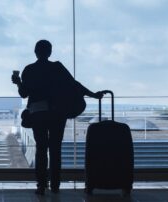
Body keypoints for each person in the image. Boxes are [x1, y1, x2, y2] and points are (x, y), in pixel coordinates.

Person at [12, 40, 104, 195]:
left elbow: (24, 94)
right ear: (50, 52)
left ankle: (41, 185)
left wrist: (18, 82)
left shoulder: (29, 70)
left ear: (35, 52)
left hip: (38, 113)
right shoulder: (57, 67)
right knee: (55, 150)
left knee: (41, 149)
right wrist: (93, 95)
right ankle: (55, 185)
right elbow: (75, 85)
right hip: (57, 113)